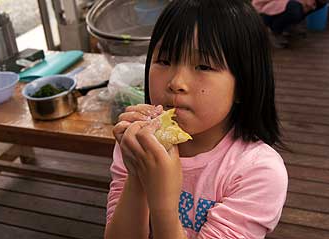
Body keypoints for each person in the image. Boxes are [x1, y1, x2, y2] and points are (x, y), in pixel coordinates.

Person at [105, 0, 288, 238]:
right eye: (164, 61)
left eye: (203, 65)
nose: (176, 83)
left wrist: (163, 206)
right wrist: (138, 176)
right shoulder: (137, 142)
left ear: (244, 85)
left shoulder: (257, 172)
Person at [252, 0, 327, 48]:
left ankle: (288, 25)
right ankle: (275, 31)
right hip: (265, 9)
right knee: (294, 9)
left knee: (321, 2)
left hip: (287, 3)